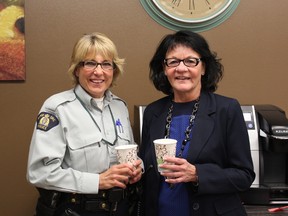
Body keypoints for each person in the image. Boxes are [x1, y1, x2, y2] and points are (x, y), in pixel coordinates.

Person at [138, 30, 255, 216]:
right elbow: (148, 172)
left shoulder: (227, 109)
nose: (181, 68)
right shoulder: (153, 112)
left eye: (191, 61)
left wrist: (197, 173)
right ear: (164, 68)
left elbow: (244, 176)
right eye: (173, 61)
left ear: (204, 68)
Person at [27, 32, 143, 216]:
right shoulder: (57, 108)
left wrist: (138, 168)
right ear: (76, 69)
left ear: (114, 70)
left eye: (106, 64)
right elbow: (40, 172)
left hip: (121, 208)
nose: (99, 72)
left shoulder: (120, 106)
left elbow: (129, 154)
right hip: (76, 210)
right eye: (90, 63)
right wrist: (97, 181)